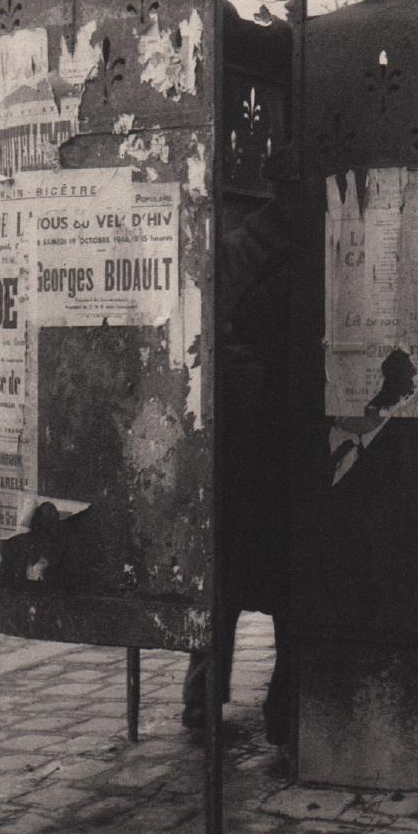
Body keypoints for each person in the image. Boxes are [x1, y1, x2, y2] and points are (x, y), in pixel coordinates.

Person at [181, 198, 297, 746]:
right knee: (286, 579)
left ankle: (203, 696)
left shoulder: (233, 245)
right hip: (272, 436)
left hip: (234, 441)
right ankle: (284, 707)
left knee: (223, 575)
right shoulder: (297, 246)